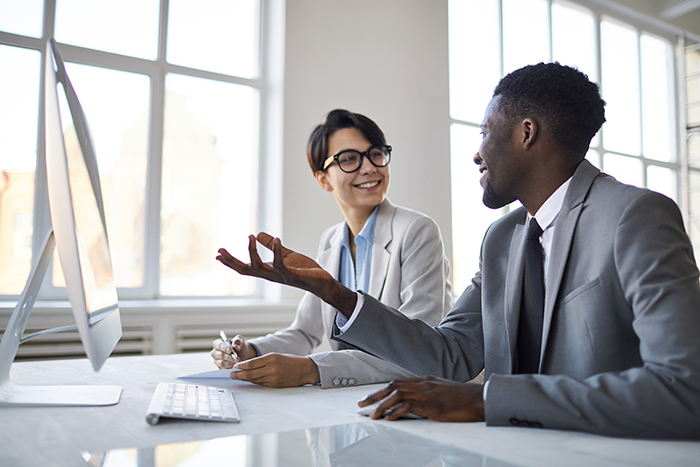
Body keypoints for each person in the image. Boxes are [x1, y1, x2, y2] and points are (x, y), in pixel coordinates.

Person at [216, 63, 700, 439]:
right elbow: (451, 356)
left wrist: (490, 401)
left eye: (486, 131)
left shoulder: (635, 215)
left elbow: (685, 390)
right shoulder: (503, 239)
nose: (476, 152)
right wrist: (338, 295)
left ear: (526, 133)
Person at [210, 109, 453, 389]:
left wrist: (313, 370)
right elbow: (305, 332)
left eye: (376, 153)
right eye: (349, 159)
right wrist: (249, 351)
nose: (369, 167)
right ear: (323, 180)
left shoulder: (417, 230)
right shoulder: (330, 240)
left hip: (411, 394)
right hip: (350, 395)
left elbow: (419, 347)